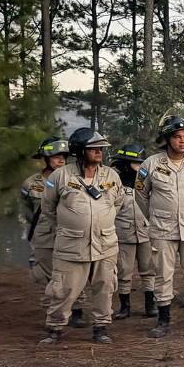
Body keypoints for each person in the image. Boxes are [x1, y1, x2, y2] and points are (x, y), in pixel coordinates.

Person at [40, 128, 123, 344]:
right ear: (79, 151)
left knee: (105, 286)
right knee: (63, 288)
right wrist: (70, 227)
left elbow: (118, 203)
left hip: (105, 244)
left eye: (101, 148)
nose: (99, 152)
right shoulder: (60, 176)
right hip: (71, 245)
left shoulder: (111, 176)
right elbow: (48, 208)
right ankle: (55, 329)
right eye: (93, 148)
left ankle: (101, 328)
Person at [135, 115, 184, 338]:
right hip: (162, 228)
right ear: (167, 139)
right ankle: (163, 319)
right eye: (177, 137)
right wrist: (156, 215)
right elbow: (141, 194)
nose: (183, 141)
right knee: (163, 273)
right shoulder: (151, 164)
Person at [21, 137, 86, 325]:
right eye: (56, 156)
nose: (61, 160)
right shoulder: (30, 184)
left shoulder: (75, 180)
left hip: (70, 234)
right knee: (49, 275)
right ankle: (55, 313)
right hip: (43, 236)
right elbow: (25, 212)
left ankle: (78, 311)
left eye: (64, 157)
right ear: (45, 158)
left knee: (74, 272)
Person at [111, 144, 156, 319]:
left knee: (149, 269)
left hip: (145, 233)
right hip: (123, 234)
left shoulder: (145, 183)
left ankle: (150, 306)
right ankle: (124, 307)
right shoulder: (114, 183)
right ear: (126, 163)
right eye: (136, 163)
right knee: (124, 271)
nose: (140, 167)